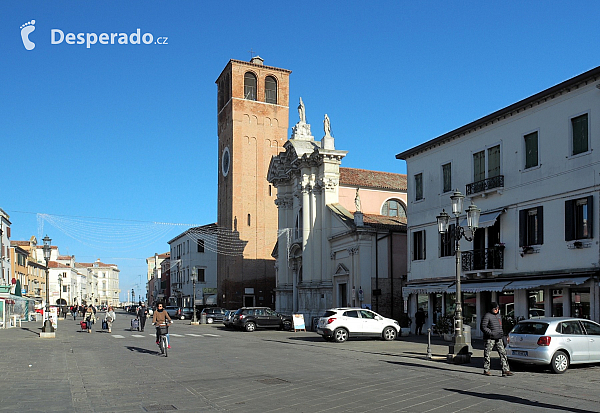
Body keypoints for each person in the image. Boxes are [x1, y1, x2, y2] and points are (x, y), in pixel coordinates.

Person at [480, 302, 513, 377]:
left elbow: (500, 326)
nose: (496, 310)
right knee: (487, 353)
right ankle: (486, 369)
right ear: (491, 308)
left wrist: (502, 333)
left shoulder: (498, 316)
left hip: (499, 337)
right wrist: (491, 333)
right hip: (490, 338)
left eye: (497, 308)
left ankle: (505, 370)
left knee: (503, 353)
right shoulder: (487, 316)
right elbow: (483, 327)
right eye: (495, 308)